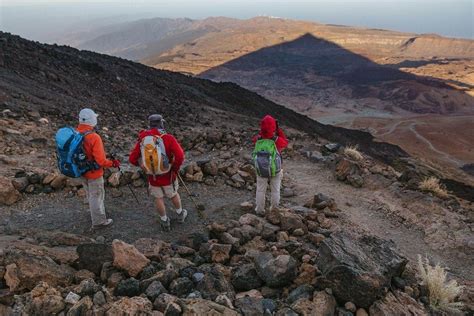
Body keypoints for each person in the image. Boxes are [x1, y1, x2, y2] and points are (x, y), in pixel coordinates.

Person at [129, 114, 186, 231]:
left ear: (150, 125)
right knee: (173, 194)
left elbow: (132, 159)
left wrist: (143, 166)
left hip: (152, 177)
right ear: (161, 123)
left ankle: (164, 220)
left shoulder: (142, 138)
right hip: (168, 174)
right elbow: (180, 156)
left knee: (158, 198)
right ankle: (180, 214)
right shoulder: (168, 138)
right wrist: (174, 168)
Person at [77, 108, 120, 228]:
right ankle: (99, 222)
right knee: (97, 196)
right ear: (92, 120)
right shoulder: (94, 137)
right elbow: (100, 161)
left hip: (82, 170)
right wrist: (113, 163)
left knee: (90, 194)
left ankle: (94, 213)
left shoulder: (75, 133)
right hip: (94, 172)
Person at [252, 115, 288, 215]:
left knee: (260, 190)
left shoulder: (258, 139)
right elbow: (285, 142)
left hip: (261, 169)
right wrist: (278, 130)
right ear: (273, 127)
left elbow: (257, 138)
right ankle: (274, 210)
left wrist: (263, 132)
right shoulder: (276, 140)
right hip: (275, 169)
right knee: (275, 190)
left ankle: (259, 210)